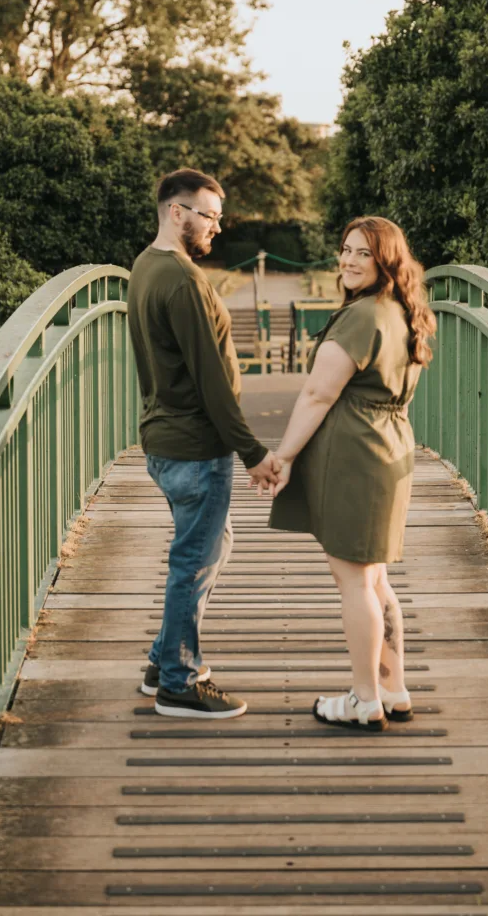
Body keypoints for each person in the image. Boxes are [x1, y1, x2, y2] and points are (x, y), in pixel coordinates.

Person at [269, 216, 436, 731]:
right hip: (386, 450)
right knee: (375, 579)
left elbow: (319, 393)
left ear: (385, 259)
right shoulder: (402, 312)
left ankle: (364, 699)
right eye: (344, 250)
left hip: (356, 457)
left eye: (363, 253)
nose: (348, 260)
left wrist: (286, 455)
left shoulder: (363, 316)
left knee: (354, 582)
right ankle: (393, 688)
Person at [127, 168, 280, 719]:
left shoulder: (145, 268)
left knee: (212, 547)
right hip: (195, 447)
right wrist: (255, 454)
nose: (217, 226)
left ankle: (164, 659)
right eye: (209, 215)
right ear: (177, 211)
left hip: (165, 441)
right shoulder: (184, 283)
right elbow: (214, 383)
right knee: (194, 560)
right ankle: (180, 682)